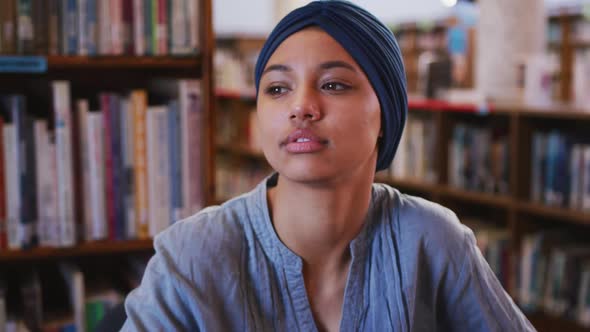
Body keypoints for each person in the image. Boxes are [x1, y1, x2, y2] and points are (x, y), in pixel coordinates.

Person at [121, 1, 535, 331]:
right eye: (277, 88)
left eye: (334, 84)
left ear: (385, 114)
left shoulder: (434, 241)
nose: (300, 107)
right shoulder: (191, 257)